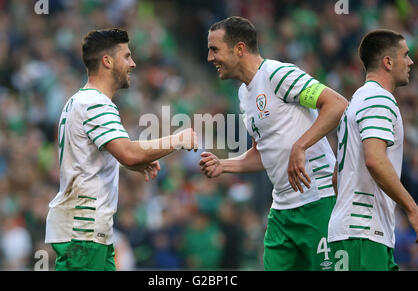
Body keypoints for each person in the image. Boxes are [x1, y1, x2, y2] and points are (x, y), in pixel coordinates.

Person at [199, 16, 348, 271]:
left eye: (215, 50)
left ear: (240, 49)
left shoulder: (278, 75)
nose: (210, 58)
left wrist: (300, 146)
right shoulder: (244, 94)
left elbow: (336, 104)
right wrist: (223, 165)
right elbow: (263, 152)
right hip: (281, 210)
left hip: (318, 201)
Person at [45, 28, 197, 271]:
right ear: (107, 61)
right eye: (126, 56)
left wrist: (133, 163)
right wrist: (178, 139)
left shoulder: (79, 100)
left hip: (91, 229)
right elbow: (129, 151)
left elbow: (105, 155)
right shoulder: (96, 103)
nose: (133, 63)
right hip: (83, 229)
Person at [328, 29, 418, 271]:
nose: (410, 61)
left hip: (361, 232)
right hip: (362, 234)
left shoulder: (357, 100)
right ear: (388, 62)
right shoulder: (379, 99)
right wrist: (412, 208)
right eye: (405, 55)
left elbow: (337, 175)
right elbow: (375, 160)